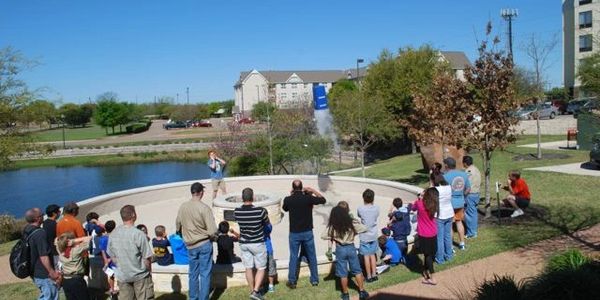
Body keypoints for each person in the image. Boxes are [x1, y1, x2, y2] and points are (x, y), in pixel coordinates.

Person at [175, 182, 218, 300]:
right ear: (200, 192)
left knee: (193, 274)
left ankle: (193, 297)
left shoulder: (183, 206)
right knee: (205, 274)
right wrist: (215, 238)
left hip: (190, 246)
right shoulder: (204, 208)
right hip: (204, 244)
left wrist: (182, 234)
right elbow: (212, 231)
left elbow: (178, 224)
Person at [282, 179, 326, 288]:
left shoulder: (288, 199)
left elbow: (285, 208)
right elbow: (323, 200)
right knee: (312, 256)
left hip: (294, 233)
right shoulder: (308, 198)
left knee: (293, 256)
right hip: (307, 232)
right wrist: (312, 190)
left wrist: (291, 194)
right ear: (302, 187)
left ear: (293, 188)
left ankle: (292, 280)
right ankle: (315, 280)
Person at [321, 206, 369, 300]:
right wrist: (354, 222)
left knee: (343, 273)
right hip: (351, 248)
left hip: (340, 249)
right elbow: (364, 228)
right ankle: (362, 291)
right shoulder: (351, 223)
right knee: (357, 270)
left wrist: (334, 236)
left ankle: (346, 294)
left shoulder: (333, 226)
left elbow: (323, 235)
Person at [107, 205, 154, 300]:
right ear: (133, 215)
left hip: (123, 276)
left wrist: (121, 266)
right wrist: (149, 271)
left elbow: (112, 255)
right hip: (140, 275)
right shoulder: (139, 234)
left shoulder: (113, 234)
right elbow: (147, 258)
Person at [234, 187, 270, 300]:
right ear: (253, 197)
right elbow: (267, 223)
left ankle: (252, 290)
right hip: (257, 242)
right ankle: (255, 291)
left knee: (248, 267)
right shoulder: (261, 211)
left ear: (242, 198)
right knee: (261, 267)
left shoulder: (237, 212)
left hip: (244, 243)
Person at [24, 208, 61, 300]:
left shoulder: (27, 230)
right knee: (50, 296)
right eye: (41, 215)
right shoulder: (40, 233)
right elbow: (43, 256)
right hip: (44, 273)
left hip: (34, 271)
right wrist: (52, 272)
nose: (43, 216)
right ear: (37, 218)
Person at [411, 188, 439, 285]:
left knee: (427, 255)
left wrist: (419, 198)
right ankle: (426, 270)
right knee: (431, 254)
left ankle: (432, 278)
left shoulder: (419, 203)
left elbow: (413, 208)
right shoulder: (435, 204)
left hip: (424, 234)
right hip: (433, 232)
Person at [442, 157, 470, 250]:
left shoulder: (444, 177)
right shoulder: (464, 174)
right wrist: (462, 195)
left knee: (449, 224)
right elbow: (468, 189)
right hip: (460, 202)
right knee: (459, 222)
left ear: (446, 165)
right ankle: (462, 243)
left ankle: (451, 246)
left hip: (449, 204)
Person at [56, 232, 93, 300]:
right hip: (77, 280)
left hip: (66, 280)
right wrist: (73, 241)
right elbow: (89, 238)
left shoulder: (60, 250)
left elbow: (56, 241)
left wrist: (66, 241)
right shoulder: (76, 250)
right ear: (69, 241)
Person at [357, 189, 379, 283]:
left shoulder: (360, 208)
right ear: (373, 198)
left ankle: (369, 276)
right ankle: (374, 275)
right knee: (372, 255)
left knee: (366, 256)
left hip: (364, 235)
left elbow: (359, 216)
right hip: (373, 234)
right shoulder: (376, 208)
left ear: (363, 198)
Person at [431, 173, 454, 264]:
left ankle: (440, 258)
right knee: (447, 235)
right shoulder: (448, 186)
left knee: (439, 238)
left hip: (440, 215)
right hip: (449, 213)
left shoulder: (435, 189)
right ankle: (449, 255)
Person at [463, 156, 481, 238]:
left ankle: (471, 233)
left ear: (465, 163)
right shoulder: (476, 169)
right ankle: (473, 230)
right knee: (473, 213)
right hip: (476, 193)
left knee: (469, 214)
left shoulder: (468, 171)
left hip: (470, 194)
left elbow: (467, 184)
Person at [42, 204, 61, 270]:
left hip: (48, 251)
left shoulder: (44, 223)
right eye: (58, 211)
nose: (59, 213)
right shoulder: (55, 225)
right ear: (54, 213)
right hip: (55, 252)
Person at [264, 223, 277, 293]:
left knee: (262, 268)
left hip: (262, 249)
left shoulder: (257, 226)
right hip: (268, 249)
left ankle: (264, 285)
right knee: (270, 268)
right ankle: (270, 285)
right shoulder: (268, 225)